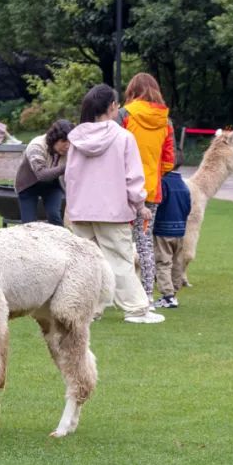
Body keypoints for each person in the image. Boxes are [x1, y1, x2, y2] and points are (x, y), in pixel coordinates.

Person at [64, 84, 164, 324]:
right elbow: (133, 176)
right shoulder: (123, 137)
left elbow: (69, 176)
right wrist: (139, 204)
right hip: (112, 210)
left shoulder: (76, 138)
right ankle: (136, 308)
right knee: (119, 260)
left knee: (88, 264)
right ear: (112, 106)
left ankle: (91, 310)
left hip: (81, 210)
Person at [119, 73, 175, 301]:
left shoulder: (124, 115)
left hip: (122, 189)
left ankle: (120, 292)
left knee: (119, 240)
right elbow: (169, 161)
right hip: (151, 191)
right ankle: (147, 293)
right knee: (145, 243)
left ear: (132, 91)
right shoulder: (166, 121)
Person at [15, 119, 72, 225]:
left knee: (54, 216)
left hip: (53, 184)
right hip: (28, 184)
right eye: (64, 141)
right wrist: (66, 166)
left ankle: (59, 236)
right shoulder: (36, 146)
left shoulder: (70, 149)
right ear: (54, 139)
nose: (67, 146)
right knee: (29, 224)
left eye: (70, 142)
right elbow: (42, 175)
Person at [151, 170, 191, 309]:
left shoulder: (163, 183)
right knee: (177, 261)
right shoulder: (183, 184)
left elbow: (158, 204)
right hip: (179, 230)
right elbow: (188, 207)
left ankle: (167, 295)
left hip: (163, 229)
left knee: (163, 261)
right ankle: (173, 292)